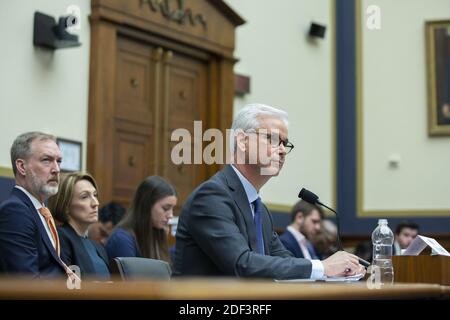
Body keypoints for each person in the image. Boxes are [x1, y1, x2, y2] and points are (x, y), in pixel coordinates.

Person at [173, 103, 365, 279]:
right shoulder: (211, 197)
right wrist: (323, 267)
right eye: (272, 139)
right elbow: (242, 263)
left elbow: (284, 261)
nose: (282, 150)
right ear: (242, 141)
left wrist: (340, 270)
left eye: (285, 144)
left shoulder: (260, 210)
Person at [0, 132, 66, 277]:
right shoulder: (15, 211)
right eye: (46, 160)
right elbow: (26, 283)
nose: (57, 169)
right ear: (22, 167)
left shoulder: (42, 211)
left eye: (59, 161)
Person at [48, 172, 110, 280]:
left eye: (95, 195)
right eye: (84, 197)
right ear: (65, 205)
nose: (95, 203)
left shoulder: (97, 246)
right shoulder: (59, 238)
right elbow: (68, 286)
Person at [105, 176, 177, 264]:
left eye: (172, 209)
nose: (171, 215)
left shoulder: (157, 233)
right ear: (146, 205)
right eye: (166, 208)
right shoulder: (121, 239)